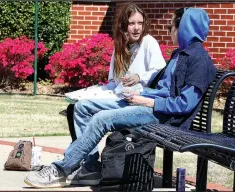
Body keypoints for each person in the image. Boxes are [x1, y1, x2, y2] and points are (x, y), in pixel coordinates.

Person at [24, 7, 217, 188]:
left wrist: (147, 101)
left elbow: (184, 104)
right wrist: (141, 93)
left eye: (172, 26)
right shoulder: (181, 54)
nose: (170, 31)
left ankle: (61, 169)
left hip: (164, 117)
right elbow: (165, 90)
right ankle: (90, 167)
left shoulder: (198, 59)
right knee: (83, 107)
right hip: (151, 105)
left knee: (101, 119)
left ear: (184, 27)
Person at [64, 3, 166, 185]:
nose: (136, 28)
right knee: (79, 107)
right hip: (118, 96)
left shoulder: (148, 42)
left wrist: (139, 76)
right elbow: (114, 81)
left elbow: (160, 70)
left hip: (137, 101)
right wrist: (95, 91)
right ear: (123, 25)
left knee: (91, 114)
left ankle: (87, 165)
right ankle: (91, 163)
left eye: (140, 23)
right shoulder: (120, 46)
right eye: (131, 23)